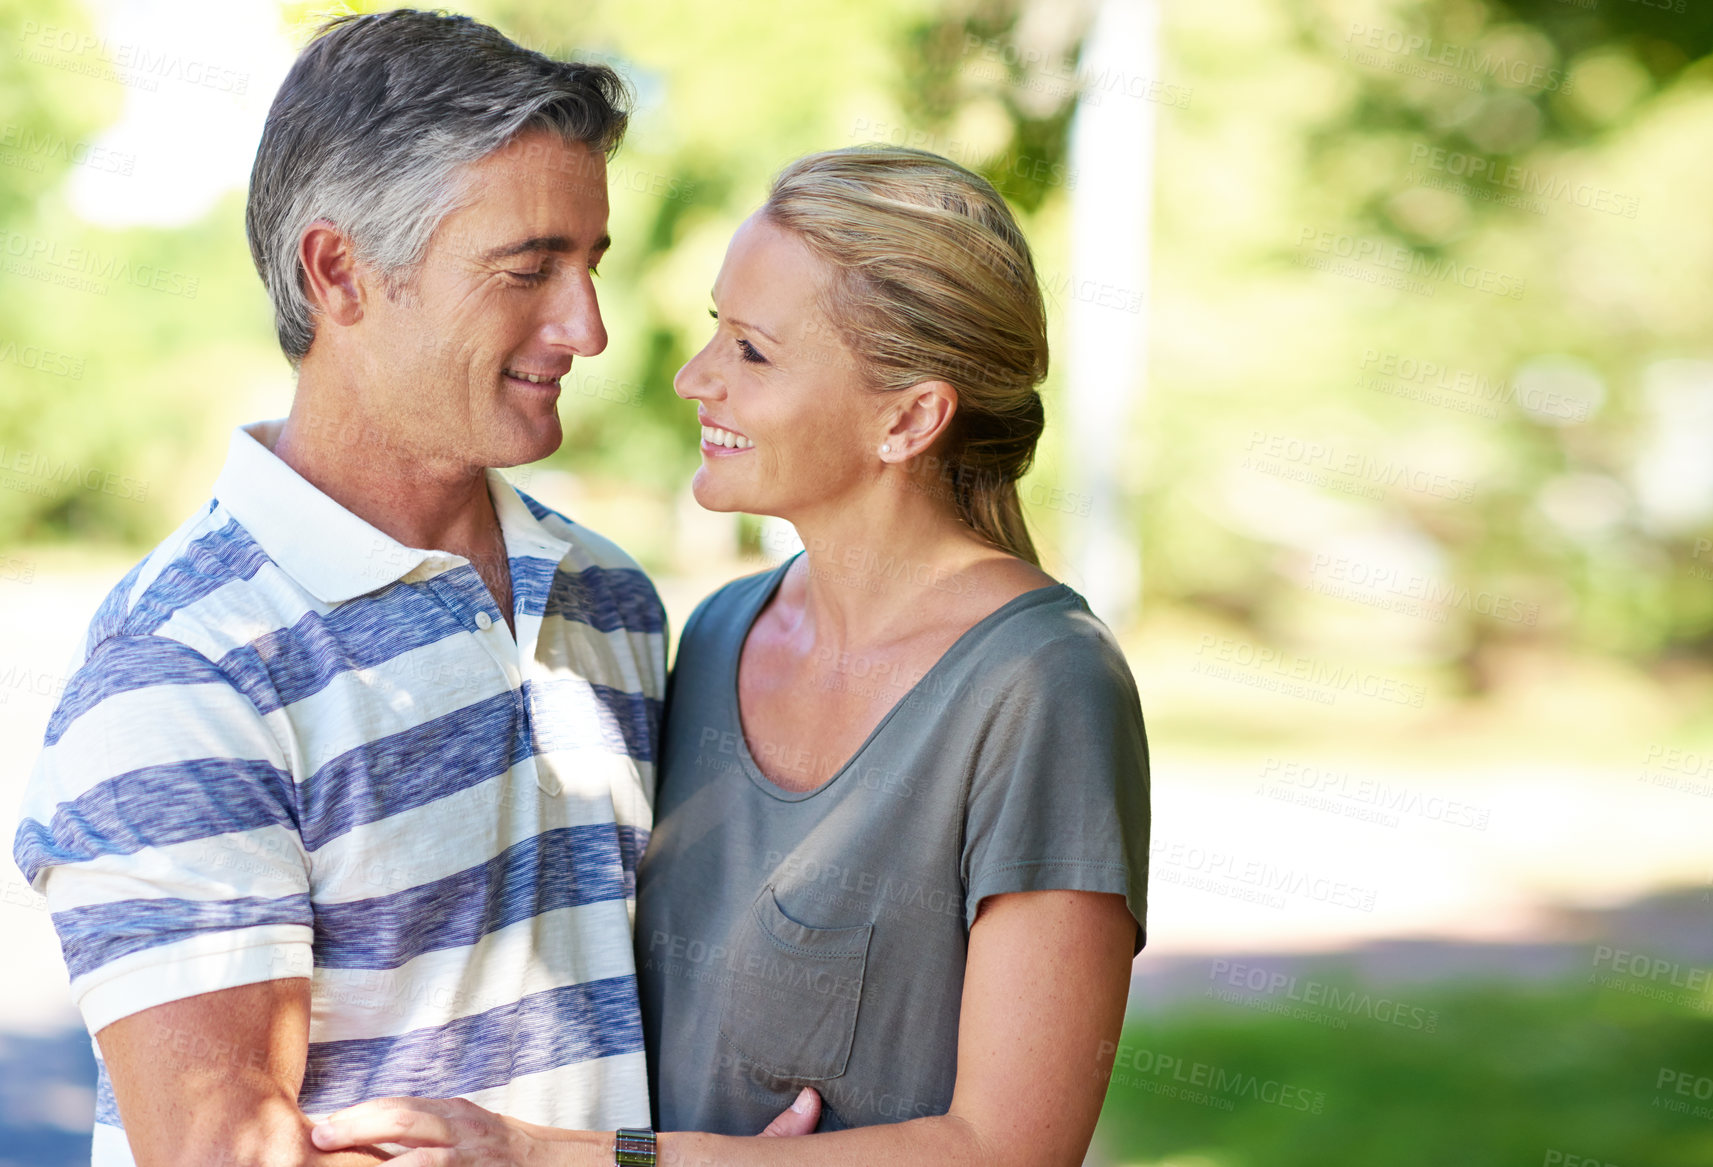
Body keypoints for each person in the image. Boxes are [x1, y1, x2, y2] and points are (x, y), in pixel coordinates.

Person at [9, 12, 828, 1166]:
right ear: (338, 271)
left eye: (590, 263)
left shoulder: (611, 600)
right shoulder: (185, 674)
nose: (586, 327)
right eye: (528, 269)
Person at [310, 147, 1150, 1167]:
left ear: (910, 418)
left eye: (751, 351)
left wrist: (566, 1158)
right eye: (716, 329)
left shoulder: (1041, 687)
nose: (693, 377)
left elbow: (1012, 1148)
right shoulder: (716, 633)